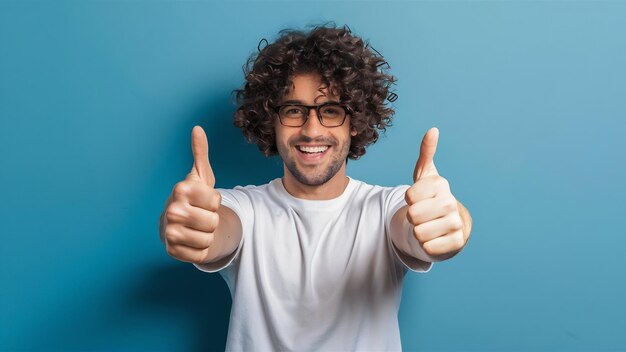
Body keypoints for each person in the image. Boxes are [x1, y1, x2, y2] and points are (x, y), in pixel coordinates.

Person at [159, 24, 472, 351]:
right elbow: (214, 228)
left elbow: (415, 226)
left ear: (356, 122)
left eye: (331, 111)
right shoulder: (243, 208)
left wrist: (451, 222)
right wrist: (185, 223)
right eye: (294, 110)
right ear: (272, 120)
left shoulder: (387, 207)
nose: (311, 129)